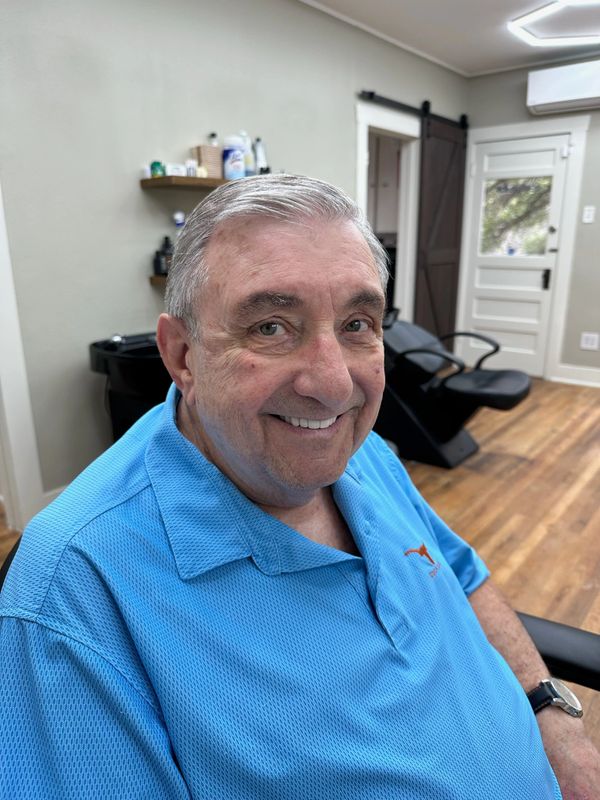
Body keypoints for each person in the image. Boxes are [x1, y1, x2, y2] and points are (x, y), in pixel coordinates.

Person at [0, 175, 598, 799]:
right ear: (182, 356)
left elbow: (461, 577)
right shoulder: (75, 589)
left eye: (357, 323)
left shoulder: (361, 453)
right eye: (270, 327)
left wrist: (551, 715)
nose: (334, 386)